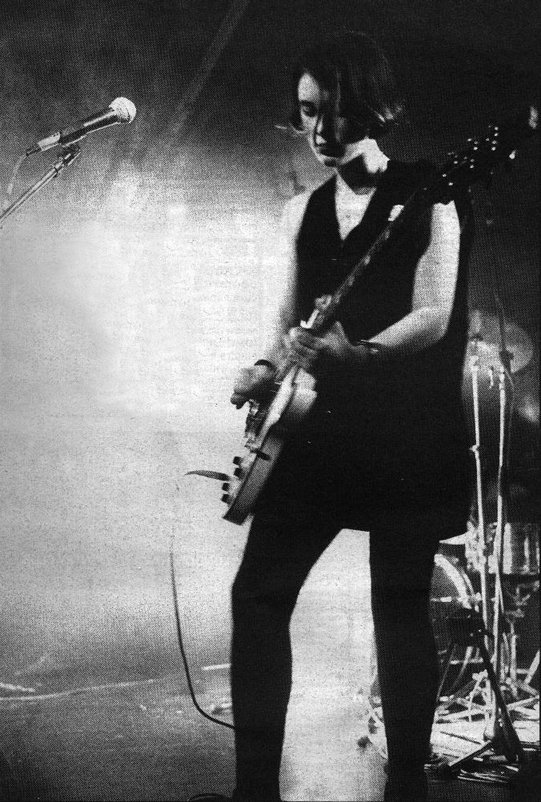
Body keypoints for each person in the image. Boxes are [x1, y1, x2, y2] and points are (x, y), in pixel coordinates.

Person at [197, 31, 473, 802]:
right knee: (257, 596)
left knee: (398, 608)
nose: (320, 129)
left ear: (375, 108)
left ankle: (406, 783)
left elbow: (434, 314)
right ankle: (253, 789)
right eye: (308, 111)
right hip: (315, 433)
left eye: (337, 110)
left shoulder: (432, 191)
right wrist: (262, 371)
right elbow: (285, 325)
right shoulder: (300, 211)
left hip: (403, 434)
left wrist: (362, 354)